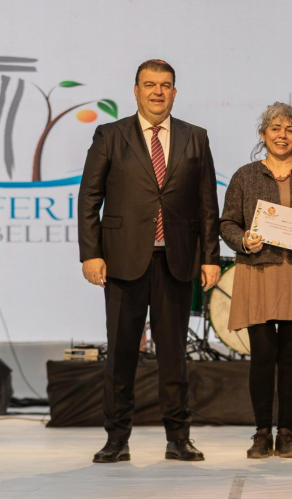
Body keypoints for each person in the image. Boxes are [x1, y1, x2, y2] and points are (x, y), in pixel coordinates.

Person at [78, 59, 221, 463]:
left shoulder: (196, 137)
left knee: (174, 356)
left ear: (175, 91)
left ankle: (178, 438)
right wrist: (91, 253)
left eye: (165, 85)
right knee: (121, 354)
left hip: (176, 261)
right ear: (136, 90)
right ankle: (116, 439)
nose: (158, 91)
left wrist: (210, 257)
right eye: (150, 84)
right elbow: (89, 198)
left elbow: (207, 204)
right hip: (122, 260)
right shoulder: (110, 134)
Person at [220, 102, 292, 459]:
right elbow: (227, 222)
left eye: (289, 129)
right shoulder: (245, 176)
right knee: (262, 355)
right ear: (263, 134)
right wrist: (243, 240)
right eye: (275, 129)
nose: (282, 135)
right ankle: (261, 433)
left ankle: (286, 432)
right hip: (258, 271)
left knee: (291, 357)